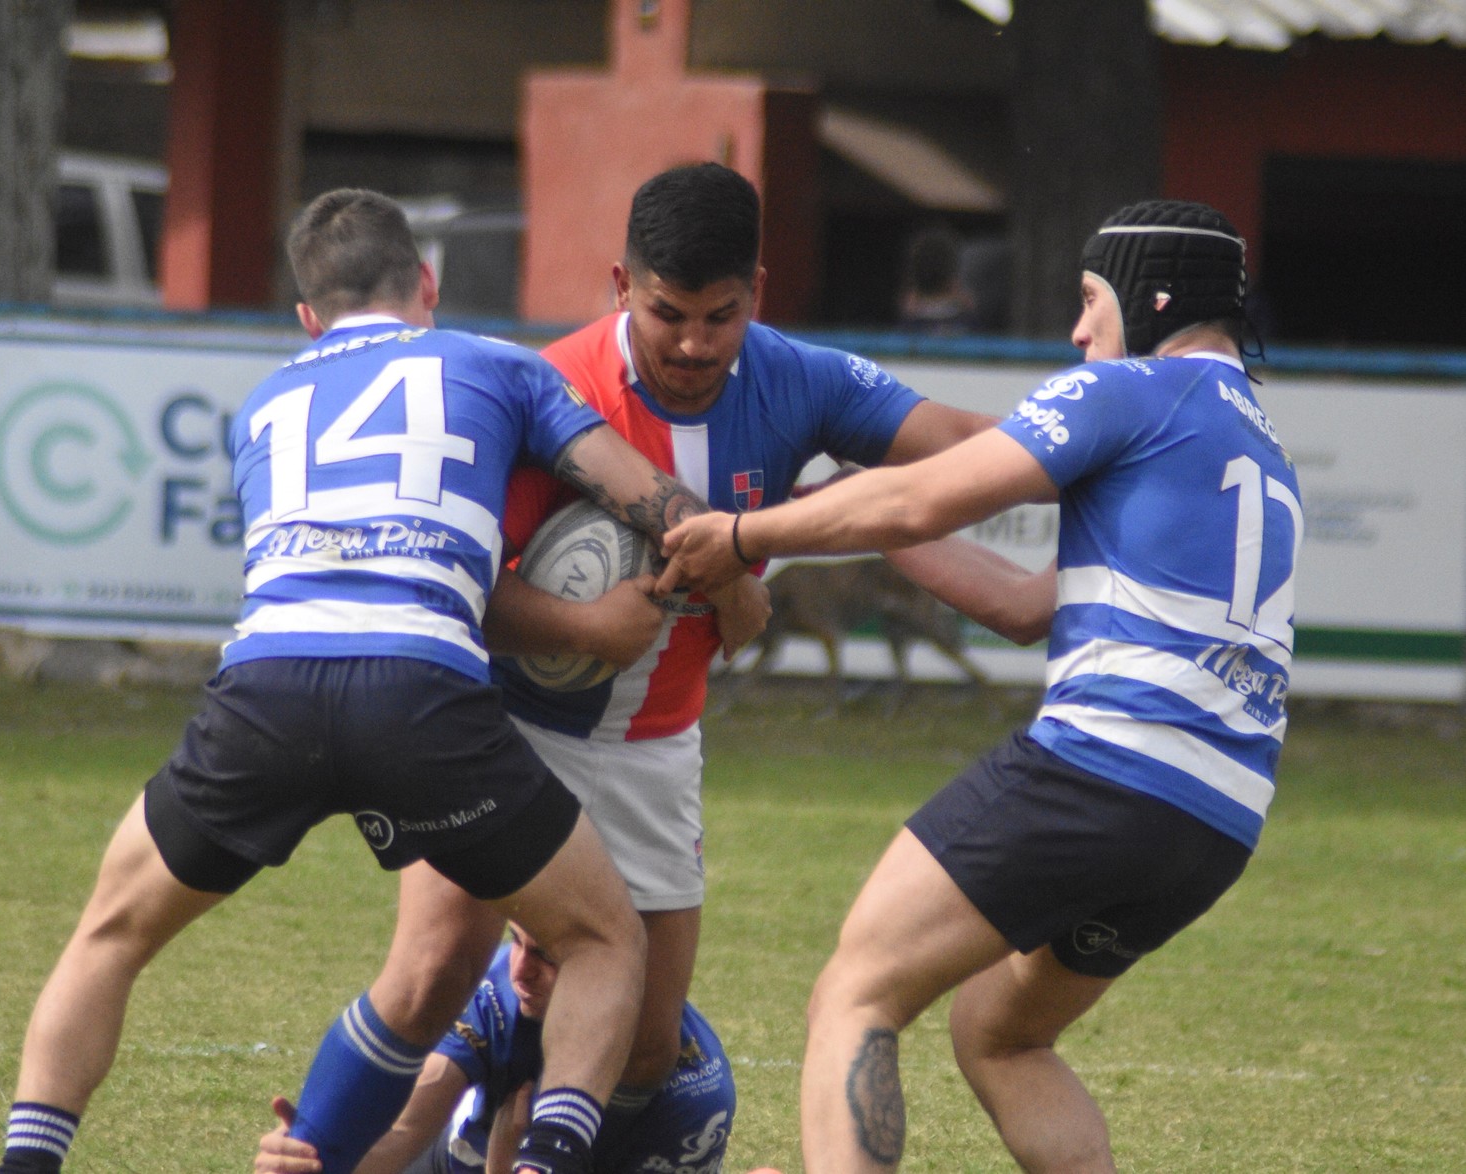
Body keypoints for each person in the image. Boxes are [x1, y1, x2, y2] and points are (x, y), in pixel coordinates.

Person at [278, 162, 1002, 1172]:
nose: (694, 344)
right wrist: (586, 628)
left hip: (656, 745)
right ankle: (337, 1143)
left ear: (757, 290)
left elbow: (967, 449)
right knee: (434, 968)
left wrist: (1104, 452)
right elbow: (459, 591)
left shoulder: (799, 381)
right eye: (668, 314)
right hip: (508, 730)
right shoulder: (546, 390)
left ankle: (510, 1090)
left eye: (721, 315)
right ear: (622, 285)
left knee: (650, 1048)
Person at [0, 187, 728, 1174]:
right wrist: (729, 579)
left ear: (309, 316)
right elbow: (657, 503)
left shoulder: (264, 406)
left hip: (266, 689)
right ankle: (546, 1162)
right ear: (425, 281)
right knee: (602, 936)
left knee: (110, 934)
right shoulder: (496, 363)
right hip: (419, 691)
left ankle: (26, 1163)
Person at [657, 199, 1302, 1172]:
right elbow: (1019, 604)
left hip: (1103, 769)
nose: (1077, 331)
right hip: (1214, 821)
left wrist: (745, 534)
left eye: (1088, 300)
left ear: (1149, 298)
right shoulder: (1255, 445)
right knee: (1001, 1034)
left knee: (857, 990)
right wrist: (851, 510)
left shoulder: (1130, 391)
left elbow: (921, 493)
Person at [253, 923, 734, 1174]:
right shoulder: (497, 989)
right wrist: (319, 1154)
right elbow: (404, 1130)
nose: (519, 970)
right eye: (516, 940)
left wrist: (504, 1166)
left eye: (545, 955)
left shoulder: (691, 1094)